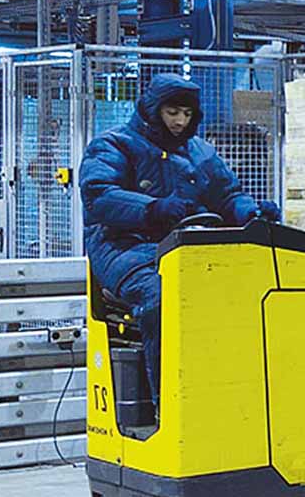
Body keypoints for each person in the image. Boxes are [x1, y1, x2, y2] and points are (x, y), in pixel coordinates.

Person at [79, 73, 280, 409]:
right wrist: (153, 209)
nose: (179, 121)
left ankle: (225, 394)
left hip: (185, 247)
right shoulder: (113, 145)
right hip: (124, 247)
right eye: (172, 112)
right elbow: (100, 197)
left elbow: (227, 194)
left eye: (187, 114)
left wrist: (251, 212)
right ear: (153, 109)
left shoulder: (199, 152)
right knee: (162, 297)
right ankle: (169, 403)